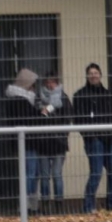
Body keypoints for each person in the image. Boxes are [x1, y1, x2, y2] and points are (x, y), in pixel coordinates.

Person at [74, 63, 112, 213]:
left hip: (110, 139)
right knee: (96, 173)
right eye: (91, 73)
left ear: (100, 74)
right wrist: (90, 136)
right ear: (87, 76)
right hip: (94, 140)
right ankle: (89, 207)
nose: (93, 75)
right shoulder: (80, 95)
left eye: (96, 72)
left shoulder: (108, 94)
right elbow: (79, 120)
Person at [4, 67, 46, 215]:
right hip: (27, 142)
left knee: (33, 173)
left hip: (28, 142)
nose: (34, 88)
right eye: (33, 85)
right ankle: (25, 206)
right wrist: (42, 114)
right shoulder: (21, 101)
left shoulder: (20, 99)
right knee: (30, 174)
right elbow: (30, 120)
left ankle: (32, 206)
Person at [37, 72, 72, 214]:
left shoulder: (63, 98)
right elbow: (36, 117)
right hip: (43, 143)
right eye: (47, 82)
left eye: (52, 82)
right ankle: (45, 204)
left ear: (57, 83)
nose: (49, 85)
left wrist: (62, 135)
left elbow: (68, 118)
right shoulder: (39, 98)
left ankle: (59, 204)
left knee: (57, 174)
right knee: (44, 176)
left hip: (59, 143)